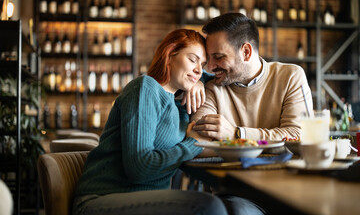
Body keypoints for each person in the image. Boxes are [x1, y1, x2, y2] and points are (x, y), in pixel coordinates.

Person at [72, 29, 228, 215]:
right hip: (102, 199)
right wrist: (193, 144)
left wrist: (200, 81)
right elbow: (139, 168)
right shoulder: (145, 88)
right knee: (208, 206)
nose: (198, 69)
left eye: (202, 64)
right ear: (169, 56)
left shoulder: (178, 103)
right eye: (193, 59)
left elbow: (220, 78)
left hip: (144, 201)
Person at [192, 12, 313, 142]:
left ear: (246, 52)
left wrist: (237, 134)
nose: (210, 66)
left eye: (219, 57)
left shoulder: (290, 77)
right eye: (209, 58)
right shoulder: (212, 87)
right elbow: (198, 143)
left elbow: (299, 135)